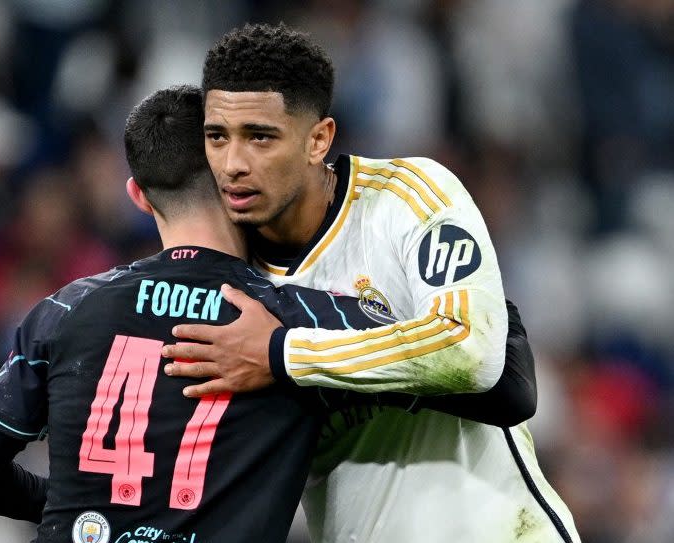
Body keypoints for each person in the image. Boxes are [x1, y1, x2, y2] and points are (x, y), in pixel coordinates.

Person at [0, 86, 537, 542]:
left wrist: (88, 513)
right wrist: (477, 288)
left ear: (138, 195)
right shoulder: (291, 318)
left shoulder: (64, 310)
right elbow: (504, 385)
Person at [162, 24, 580, 543]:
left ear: (319, 139)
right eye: (217, 137)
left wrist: (283, 356)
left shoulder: (408, 196)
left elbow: (475, 355)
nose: (233, 164)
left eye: (260, 137)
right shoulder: (227, 281)